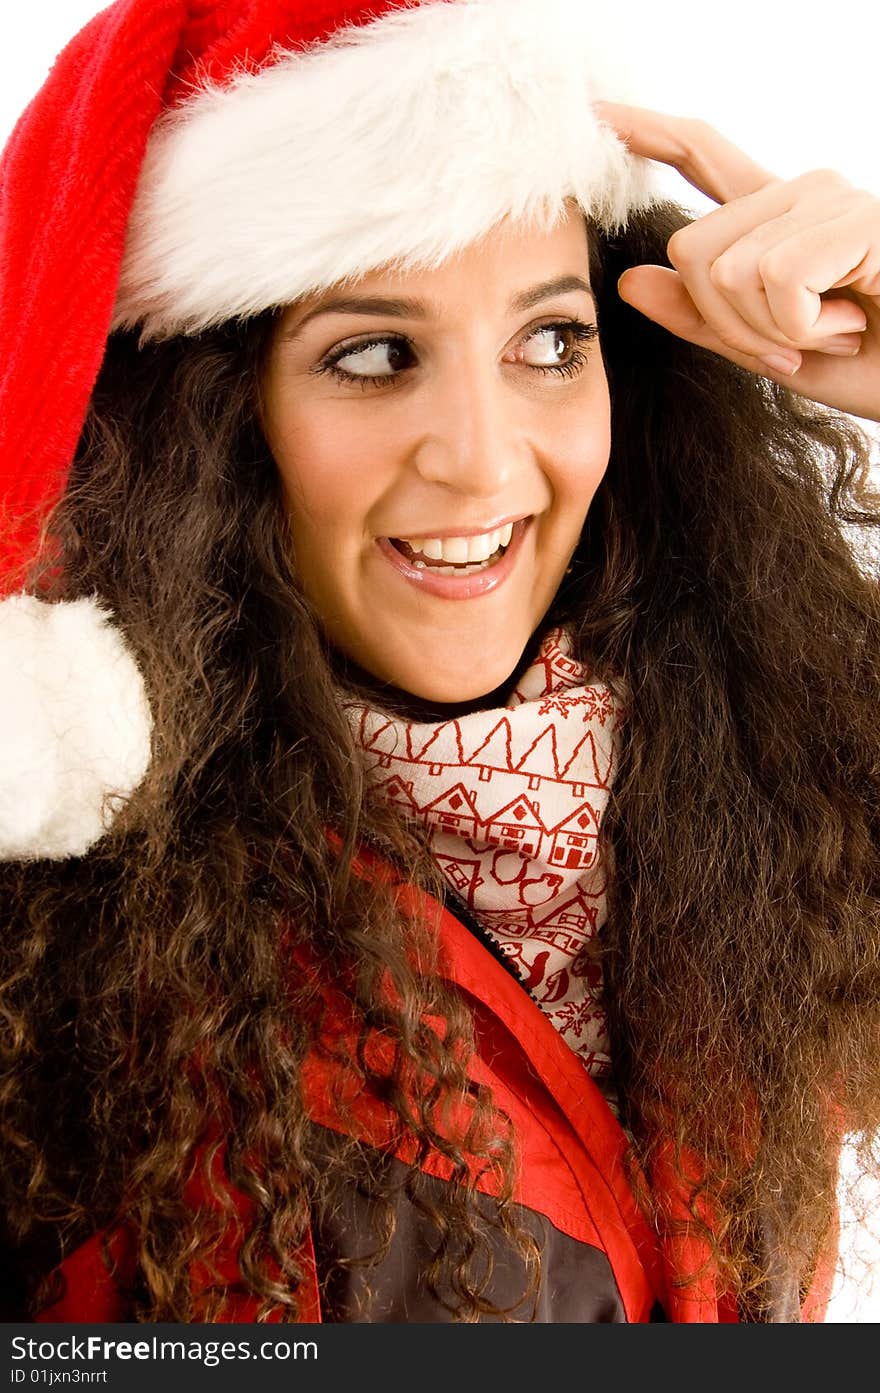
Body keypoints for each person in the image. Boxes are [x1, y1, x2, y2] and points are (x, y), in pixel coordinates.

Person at [0, 0, 878, 1325]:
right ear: (213, 428)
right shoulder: (71, 978)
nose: (482, 456)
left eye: (550, 340)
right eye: (371, 355)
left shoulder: (752, 798)